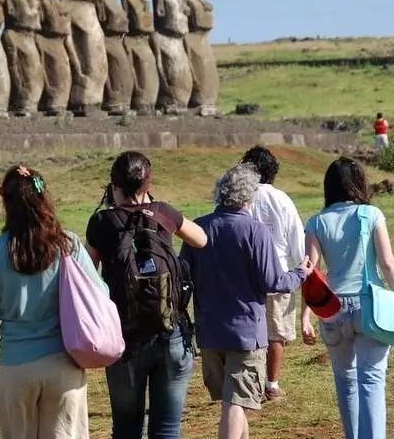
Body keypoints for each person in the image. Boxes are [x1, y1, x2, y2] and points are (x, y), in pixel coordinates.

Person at [0, 164, 106, 439]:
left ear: (4, 200)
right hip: (65, 365)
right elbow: (99, 295)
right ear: (43, 197)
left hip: (14, 370)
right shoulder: (69, 244)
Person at [182, 164, 313, 439]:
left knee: (234, 405)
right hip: (245, 334)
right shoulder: (255, 230)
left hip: (209, 332)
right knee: (235, 404)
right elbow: (273, 282)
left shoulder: (198, 227)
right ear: (248, 197)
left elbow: (185, 277)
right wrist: (301, 272)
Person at [85, 151, 208, 439]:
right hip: (171, 332)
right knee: (167, 427)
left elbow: (88, 276)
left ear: (113, 184)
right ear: (147, 182)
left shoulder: (102, 222)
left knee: (127, 429)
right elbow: (201, 238)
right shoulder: (164, 213)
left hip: (125, 338)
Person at [301, 157, 394, 439]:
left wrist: (304, 317)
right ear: (359, 183)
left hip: (332, 310)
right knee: (371, 380)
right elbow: (387, 263)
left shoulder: (315, 222)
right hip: (369, 306)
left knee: (345, 381)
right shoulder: (371, 215)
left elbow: (310, 273)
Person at [241, 146, 305, 400]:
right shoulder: (282, 199)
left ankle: (248, 382)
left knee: (248, 330)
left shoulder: (240, 198)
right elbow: (295, 238)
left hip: (244, 274)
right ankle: (272, 383)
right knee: (276, 332)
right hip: (278, 273)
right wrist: (301, 267)